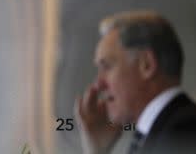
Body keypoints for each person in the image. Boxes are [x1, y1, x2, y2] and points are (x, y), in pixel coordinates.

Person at [74, 11, 196, 154]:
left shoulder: (181, 134)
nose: (98, 84)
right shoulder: (165, 130)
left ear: (147, 65)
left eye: (107, 66)